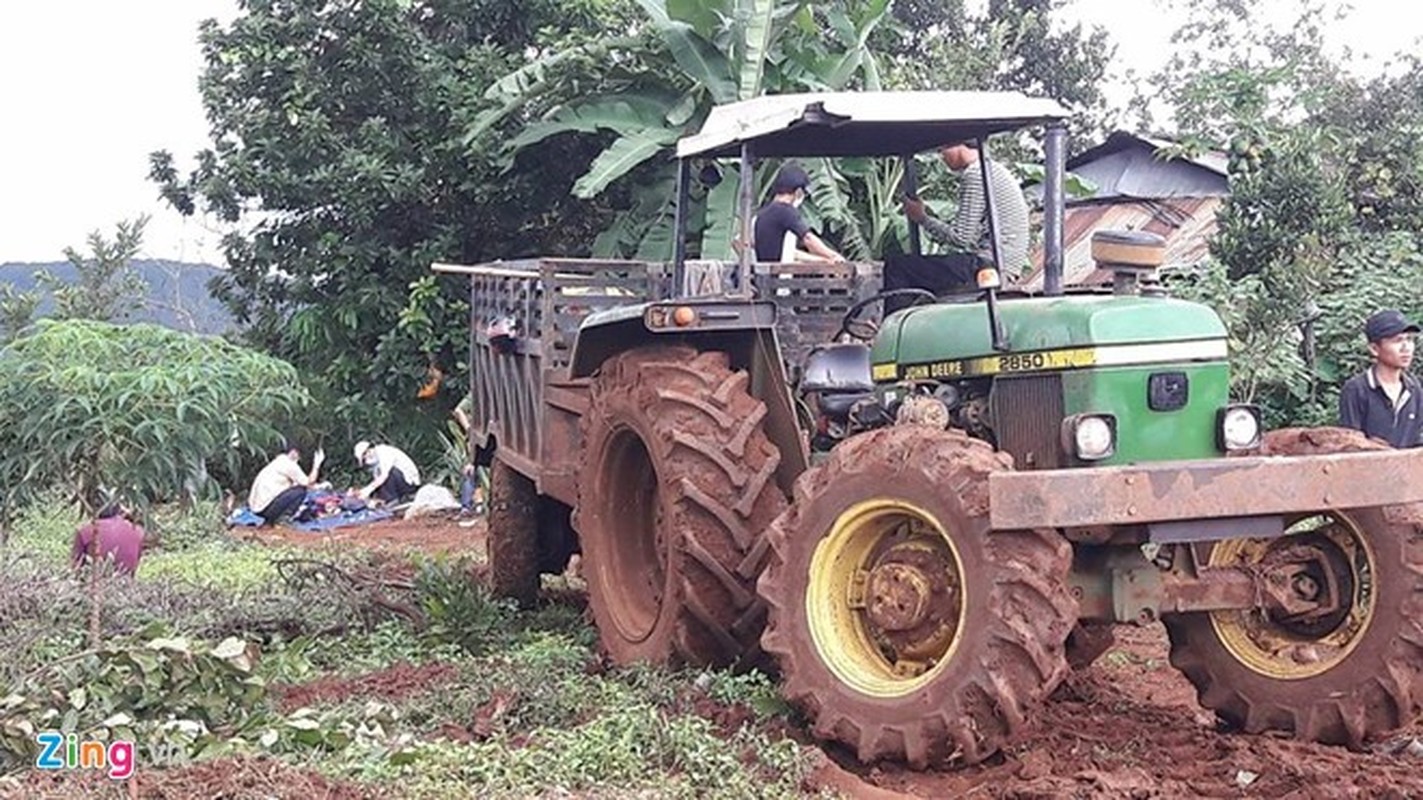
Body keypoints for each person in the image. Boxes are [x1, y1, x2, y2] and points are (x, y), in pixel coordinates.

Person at [885, 140, 1031, 309]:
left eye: (942, 150)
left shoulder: (976, 173)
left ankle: (894, 327)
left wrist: (922, 218)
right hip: (1003, 265)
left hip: (987, 265)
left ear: (957, 144)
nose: (942, 157)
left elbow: (961, 237)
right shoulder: (992, 169)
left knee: (898, 267)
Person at [1338, 308, 1422, 448]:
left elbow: (1416, 439)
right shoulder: (1356, 390)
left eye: (1409, 339)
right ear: (1374, 349)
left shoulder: (1414, 389)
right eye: (1397, 341)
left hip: (1408, 467)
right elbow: (1351, 444)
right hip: (1368, 468)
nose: (1406, 347)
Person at [752, 162, 847, 264]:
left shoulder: (762, 214)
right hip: (780, 277)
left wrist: (824, 260)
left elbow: (789, 253)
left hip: (765, 275)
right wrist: (833, 255)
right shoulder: (786, 211)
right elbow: (808, 238)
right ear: (798, 192)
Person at [248, 443, 325, 525]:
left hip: (256, 508)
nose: (298, 460)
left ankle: (271, 520)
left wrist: (319, 486)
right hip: (265, 508)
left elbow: (299, 484)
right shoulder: (289, 464)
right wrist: (317, 464)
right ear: (293, 452)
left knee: (296, 489)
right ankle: (283, 519)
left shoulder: (277, 462)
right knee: (301, 491)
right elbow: (309, 482)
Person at [71, 503, 146, 576]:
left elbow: (75, 569)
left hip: (95, 584)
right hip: (126, 585)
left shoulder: (85, 531)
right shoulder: (137, 532)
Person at [353, 440, 421, 504]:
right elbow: (377, 481)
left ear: (368, 450)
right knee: (379, 485)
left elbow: (384, 476)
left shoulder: (384, 452)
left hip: (410, 483)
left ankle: (393, 500)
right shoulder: (375, 462)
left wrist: (367, 490)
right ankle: (387, 500)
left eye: (365, 455)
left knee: (390, 472)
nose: (366, 459)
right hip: (399, 483)